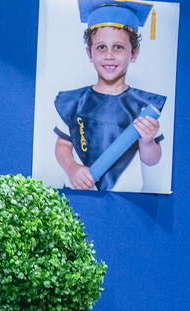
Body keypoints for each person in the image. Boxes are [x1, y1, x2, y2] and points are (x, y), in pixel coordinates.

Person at [54, 0, 164, 192]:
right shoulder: (73, 103)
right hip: (80, 193)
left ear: (134, 53)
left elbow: (152, 160)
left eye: (119, 47)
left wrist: (147, 141)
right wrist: (72, 168)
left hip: (127, 198)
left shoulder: (144, 107)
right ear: (90, 53)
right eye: (101, 47)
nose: (109, 55)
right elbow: (62, 145)